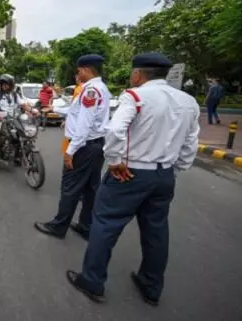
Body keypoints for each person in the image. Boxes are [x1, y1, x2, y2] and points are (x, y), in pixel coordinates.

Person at [65, 52, 199, 305]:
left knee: (105, 223)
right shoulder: (188, 101)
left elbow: (116, 130)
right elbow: (190, 143)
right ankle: (150, 286)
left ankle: (92, 281)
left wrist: (115, 161)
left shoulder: (135, 96)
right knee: (156, 231)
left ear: (138, 74)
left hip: (130, 173)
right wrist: (174, 169)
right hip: (164, 174)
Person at [34, 54, 111, 241]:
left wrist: (70, 151)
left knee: (70, 187)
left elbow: (84, 124)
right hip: (96, 146)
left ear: (86, 69)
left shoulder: (90, 91)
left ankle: (58, 226)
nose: (77, 74)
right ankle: (86, 226)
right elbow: (76, 112)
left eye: (78, 71)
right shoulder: (101, 88)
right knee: (90, 189)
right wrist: (53, 110)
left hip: (83, 147)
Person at [0, 74, 38, 171]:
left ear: (11, 85)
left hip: (13, 119)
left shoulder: (15, 94)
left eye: (7, 84)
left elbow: (23, 105)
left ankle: (17, 156)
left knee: (22, 134)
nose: (5, 86)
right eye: (3, 84)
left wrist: (32, 110)